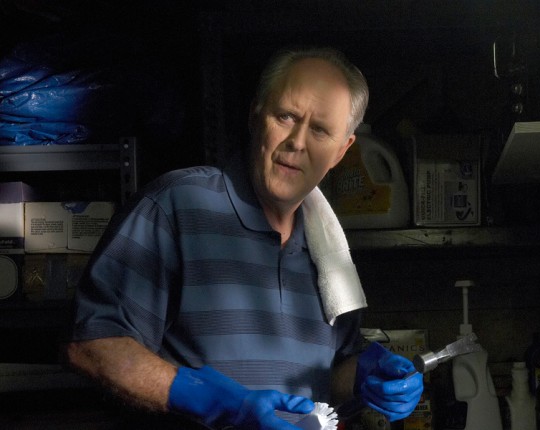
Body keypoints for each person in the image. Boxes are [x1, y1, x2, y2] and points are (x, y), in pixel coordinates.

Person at [65, 47, 423, 429]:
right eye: (286, 117)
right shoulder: (177, 206)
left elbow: (326, 380)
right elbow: (92, 344)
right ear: (256, 115)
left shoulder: (329, 251)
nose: (297, 142)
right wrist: (210, 399)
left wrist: (366, 376)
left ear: (341, 151)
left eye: (320, 130)